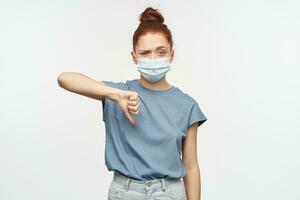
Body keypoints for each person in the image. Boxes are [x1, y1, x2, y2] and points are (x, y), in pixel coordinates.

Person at [57, 7, 207, 200]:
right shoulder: (120, 93)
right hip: (126, 192)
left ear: (172, 54)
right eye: (145, 53)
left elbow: (191, 165)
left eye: (161, 52)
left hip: (169, 193)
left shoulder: (187, 105)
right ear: (134, 57)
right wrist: (114, 94)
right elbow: (65, 79)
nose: (153, 59)